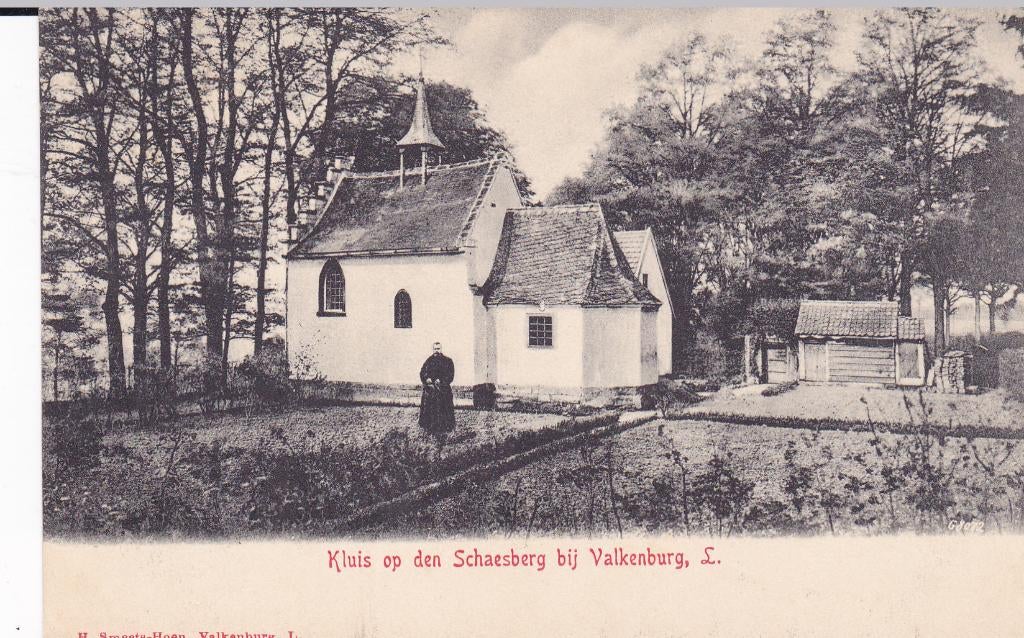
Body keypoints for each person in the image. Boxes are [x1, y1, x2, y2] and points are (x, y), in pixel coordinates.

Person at [418, 342, 456, 437]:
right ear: (433, 349)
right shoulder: (429, 361)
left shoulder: (448, 361)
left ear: (441, 349)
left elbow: (450, 375)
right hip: (431, 391)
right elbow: (422, 372)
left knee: (444, 411)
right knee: (429, 410)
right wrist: (427, 379)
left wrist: (442, 381)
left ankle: (446, 431)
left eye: (438, 349)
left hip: (443, 391)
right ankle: (429, 430)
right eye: (435, 349)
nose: (436, 351)